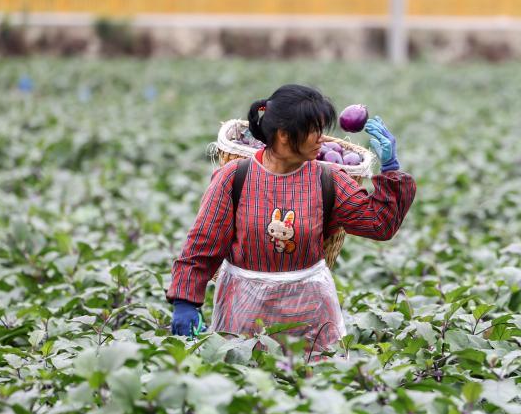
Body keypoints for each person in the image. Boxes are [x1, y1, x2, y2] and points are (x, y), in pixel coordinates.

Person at [166, 84, 416, 355]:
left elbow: (378, 224)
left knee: (313, 374)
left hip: (310, 314)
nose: (322, 139)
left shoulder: (328, 179)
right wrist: (185, 302)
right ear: (284, 135)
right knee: (244, 371)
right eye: (314, 130)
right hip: (243, 311)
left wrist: (391, 169)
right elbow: (203, 243)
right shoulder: (234, 177)